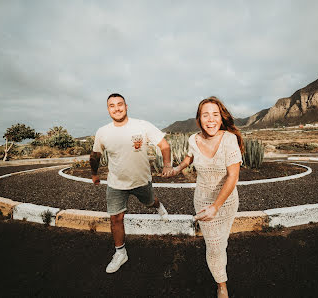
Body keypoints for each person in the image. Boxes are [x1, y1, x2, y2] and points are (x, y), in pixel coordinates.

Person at [165, 96, 244, 298]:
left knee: (222, 241)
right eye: (205, 115)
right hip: (202, 201)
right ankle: (222, 284)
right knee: (215, 245)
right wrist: (177, 169)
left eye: (215, 115)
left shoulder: (229, 139)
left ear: (221, 118)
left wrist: (216, 207)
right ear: (199, 119)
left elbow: (233, 177)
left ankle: (220, 267)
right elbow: (190, 156)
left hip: (226, 202)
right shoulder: (193, 139)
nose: (210, 120)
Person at [90, 93, 172, 274]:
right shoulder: (103, 132)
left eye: (120, 104)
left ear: (126, 107)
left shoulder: (142, 125)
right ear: (108, 110)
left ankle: (158, 206)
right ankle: (120, 253)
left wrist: (167, 164)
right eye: (112, 105)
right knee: (116, 218)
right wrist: (94, 174)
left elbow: (164, 145)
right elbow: (95, 155)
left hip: (141, 181)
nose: (117, 108)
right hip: (116, 184)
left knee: (151, 202)